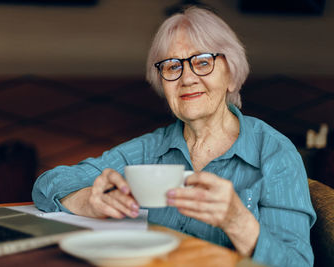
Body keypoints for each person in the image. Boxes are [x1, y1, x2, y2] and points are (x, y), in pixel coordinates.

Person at [32, 6, 316, 267]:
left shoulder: (274, 153)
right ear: (163, 86)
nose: (187, 78)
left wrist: (237, 221)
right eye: (172, 66)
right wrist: (90, 201)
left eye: (203, 62)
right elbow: (47, 184)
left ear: (231, 75)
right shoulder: (151, 149)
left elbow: (298, 263)